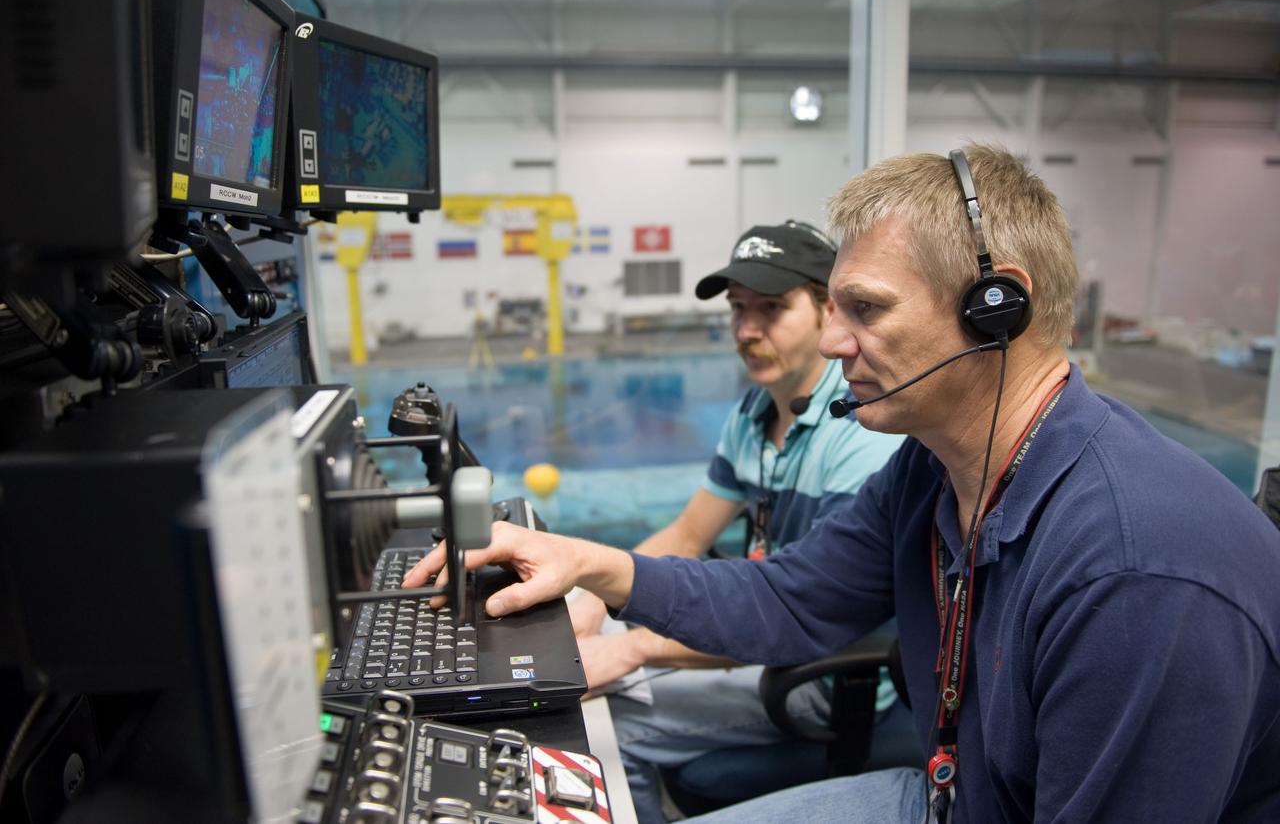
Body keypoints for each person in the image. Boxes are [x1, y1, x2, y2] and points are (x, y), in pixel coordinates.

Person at [405, 145, 1280, 823]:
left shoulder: (1137, 575)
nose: (830, 344)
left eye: (864, 309)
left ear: (995, 309)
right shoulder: (935, 471)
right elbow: (792, 600)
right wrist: (588, 563)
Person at [567, 221, 904, 823]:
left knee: (603, 723)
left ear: (829, 311)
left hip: (816, 672)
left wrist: (634, 649)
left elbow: (802, 614)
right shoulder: (754, 412)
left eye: (771, 309)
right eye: (738, 309)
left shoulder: (861, 437)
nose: (747, 331)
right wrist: (596, 594)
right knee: (580, 654)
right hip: (759, 628)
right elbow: (689, 535)